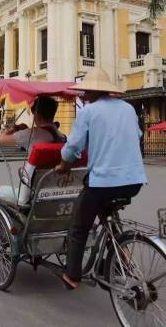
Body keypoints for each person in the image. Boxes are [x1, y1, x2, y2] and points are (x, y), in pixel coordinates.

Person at [54, 67, 147, 290]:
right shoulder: (127, 109)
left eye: (86, 93)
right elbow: (137, 136)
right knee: (108, 218)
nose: (84, 97)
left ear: (93, 92)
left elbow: (72, 147)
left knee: (79, 226)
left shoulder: (89, 112)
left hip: (104, 182)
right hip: (134, 181)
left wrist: (63, 166)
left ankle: (72, 275)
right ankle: (115, 261)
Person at [0, 96, 65, 153]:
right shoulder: (60, 135)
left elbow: (0, 140)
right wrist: (26, 129)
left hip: (36, 168)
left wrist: (15, 128)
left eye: (33, 113)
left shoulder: (31, 134)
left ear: (36, 114)